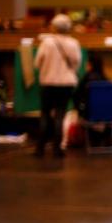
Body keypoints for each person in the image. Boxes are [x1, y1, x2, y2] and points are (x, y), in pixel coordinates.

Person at [34, 13, 82, 157]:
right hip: (66, 83)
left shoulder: (47, 42)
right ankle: (57, 149)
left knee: (45, 115)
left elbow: (37, 63)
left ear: (54, 27)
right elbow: (77, 63)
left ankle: (40, 148)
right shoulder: (74, 43)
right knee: (60, 115)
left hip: (48, 82)